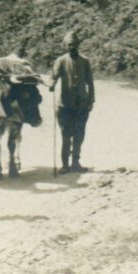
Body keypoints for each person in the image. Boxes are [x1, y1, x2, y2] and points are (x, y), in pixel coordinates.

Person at [50, 30, 95, 173]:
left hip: (82, 105)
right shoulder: (61, 60)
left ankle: (76, 162)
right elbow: (54, 75)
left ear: (78, 45)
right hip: (65, 106)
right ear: (65, 46)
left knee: (79, 134)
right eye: (69, 44)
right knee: (65, 135)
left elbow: (90, 82)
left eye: (75, 44)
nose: (72, 47)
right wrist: (52, 83)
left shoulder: (85, 61)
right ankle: (65, 165)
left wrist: (91, 100)